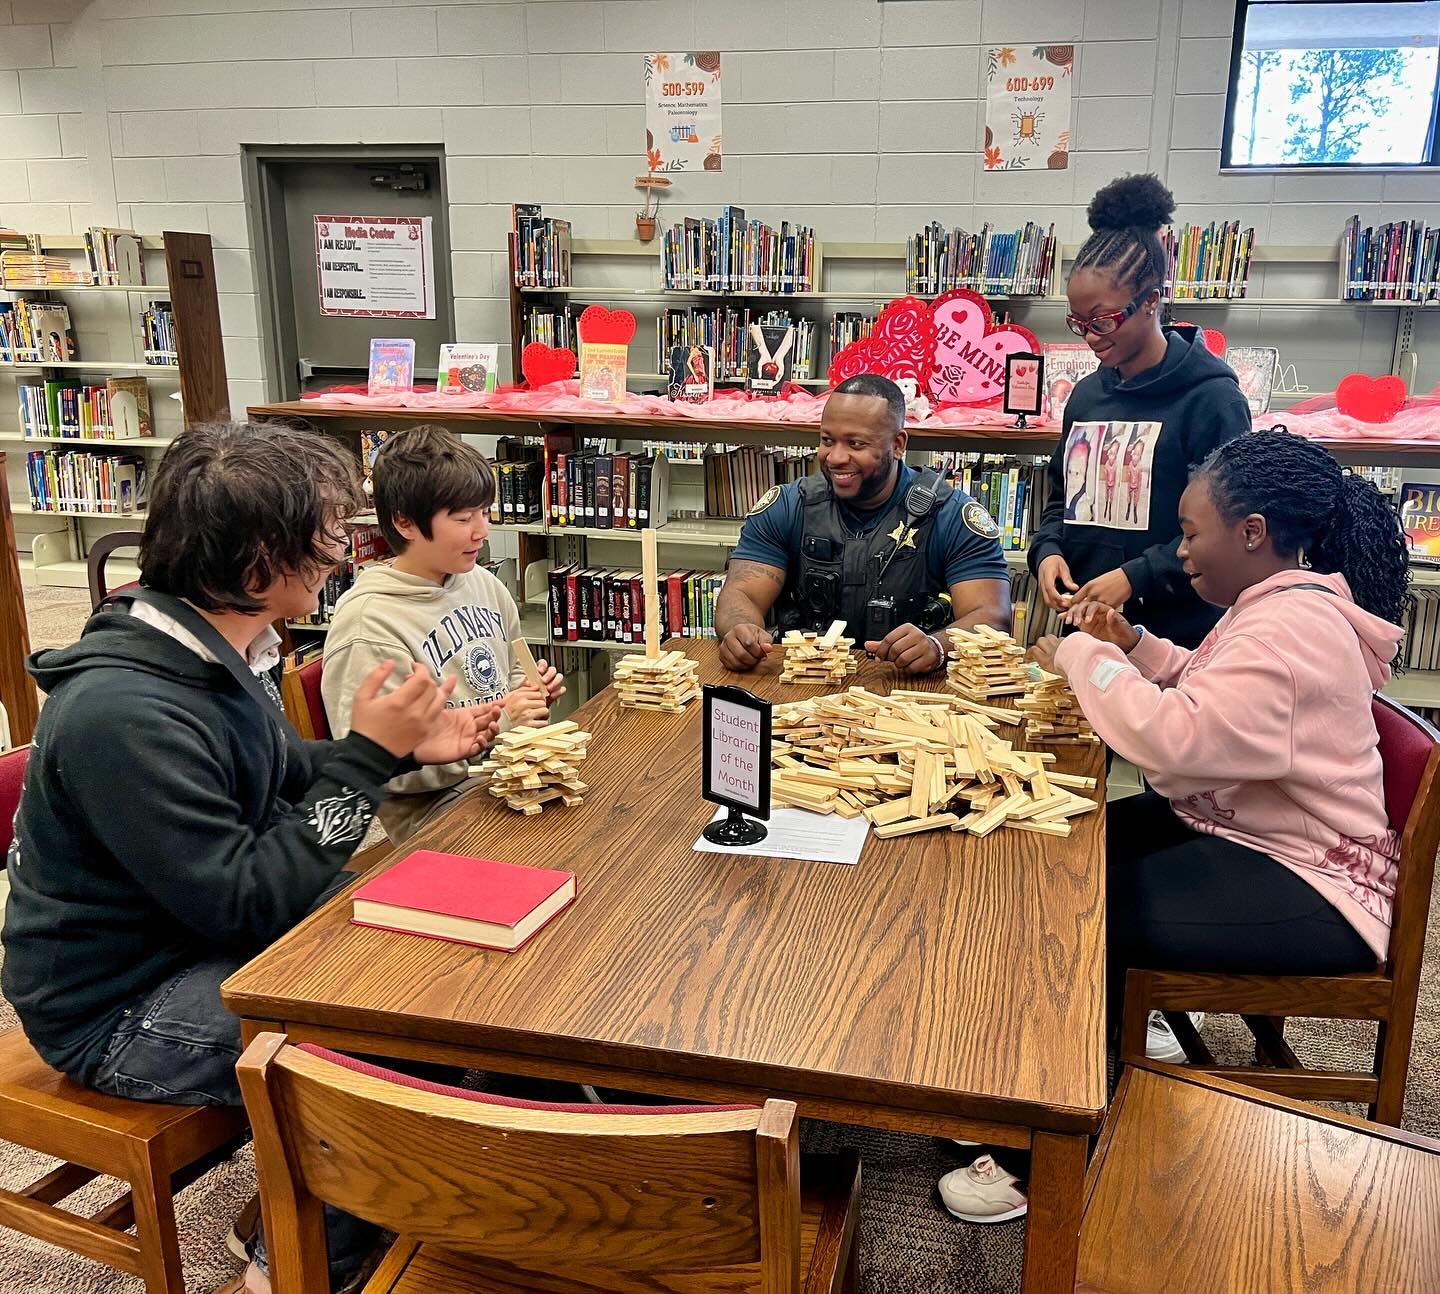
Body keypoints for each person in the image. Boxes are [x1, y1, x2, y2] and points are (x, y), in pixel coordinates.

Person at [1, 422, 501, 1294]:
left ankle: (319, 1207)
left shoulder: (204, 643)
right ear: (264, 555)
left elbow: (262, 769)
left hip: (193, 939)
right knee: (387, 1055)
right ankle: (294, 1265)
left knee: (439, 970)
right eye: (329, 535)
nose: (344, 553)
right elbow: (249, 905)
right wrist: (368, 757)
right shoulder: (123, 710)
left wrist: (401, 749)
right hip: (118, 1004)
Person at [1039, 429, 1410, 1041]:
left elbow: (1175, 745)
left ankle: (1064, 1104)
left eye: (1189, 534)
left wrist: (1081, 654)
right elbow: (1215, 691)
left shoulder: (1288, 628)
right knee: (1063, 855)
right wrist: (1132, 644)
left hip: (1318, 887)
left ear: (1252, 532)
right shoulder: (1275, 606)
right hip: (1258, 834)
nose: (1181, 553)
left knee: (1076, 910)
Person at [1028, 173, 1253, 649]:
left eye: (1104, 319)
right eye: (1078, 322)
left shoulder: (1212, 399)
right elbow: (1060, 500)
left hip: (1177, 640)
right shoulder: (1086, 397)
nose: (1090, 335)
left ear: (1150, 303)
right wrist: (1047, 552)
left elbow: (1228, 528)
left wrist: (1137, 576)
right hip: (1086, 630)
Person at [323, 425, 564, 842]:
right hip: (438, 818)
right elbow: (378, 770)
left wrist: (528, 692)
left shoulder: (482, 584)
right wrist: (507, 719)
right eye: (462, 518)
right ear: (404, 522)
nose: (482, 531)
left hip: (506, 781)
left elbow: (502, 680)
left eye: (485, 514)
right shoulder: (369, 625)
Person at [716, 372, 1012, 674]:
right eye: (827, 440)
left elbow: (992, 616)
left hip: (913, 692)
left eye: (855, 444)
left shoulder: (952, 515)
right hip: (806, 680)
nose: (835, 457)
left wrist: (938, 646)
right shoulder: (787, 506)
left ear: (897, 445)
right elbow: (741, 594)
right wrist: (740, 630)